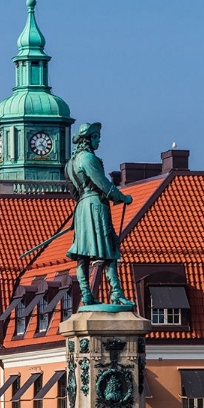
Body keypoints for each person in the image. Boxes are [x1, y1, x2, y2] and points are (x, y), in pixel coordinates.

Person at [65, 122, 133, 306]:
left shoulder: (70, 164)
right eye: (96, 137)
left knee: (82, 254)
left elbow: (73, 192)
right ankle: (116, 293)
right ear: (88, 139)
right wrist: (121, 197)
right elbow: (102, 183)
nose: (99, 140)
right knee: (109, 249)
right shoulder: (88, 159)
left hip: (81, 209)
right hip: (95, 206)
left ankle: (86, 294)